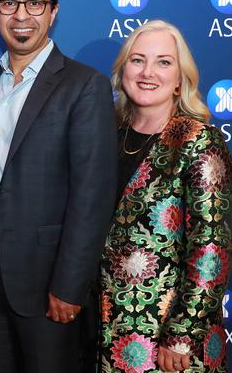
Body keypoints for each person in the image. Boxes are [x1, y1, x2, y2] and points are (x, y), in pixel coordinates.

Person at [0, 0, 118, 373]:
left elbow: (92, 197)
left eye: (35, 3)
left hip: (48, 281)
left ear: (53, 12)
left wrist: (69, 286)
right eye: (8, 4)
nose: (21, 16)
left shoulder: (84, 85)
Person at [100, 20, 232, 373]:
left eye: (163, 62)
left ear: (179, 79)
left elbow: (211, 248)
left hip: (170, 343)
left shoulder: (199, 141)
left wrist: (183, 333)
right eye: (137, 60)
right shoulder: (108, 136)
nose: (148, 72)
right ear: (123, 70)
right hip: (110, 332)